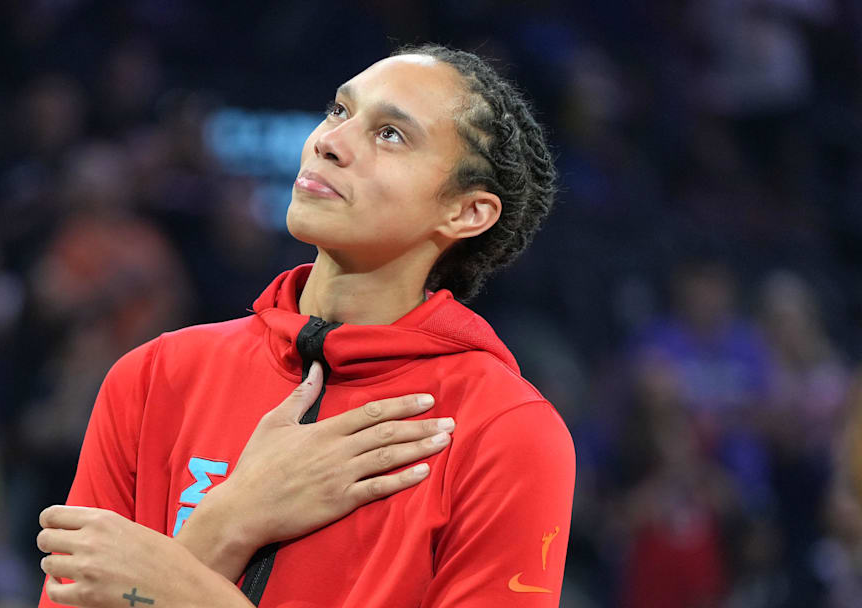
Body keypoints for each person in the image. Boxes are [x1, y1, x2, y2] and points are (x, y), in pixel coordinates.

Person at [36, 44, 575, 608]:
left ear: (466, 212)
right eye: (340, 112)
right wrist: (229, 520)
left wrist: (195, 574)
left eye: (390, 134)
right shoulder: (154, 377)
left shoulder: (506, 431)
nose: (328, 142)